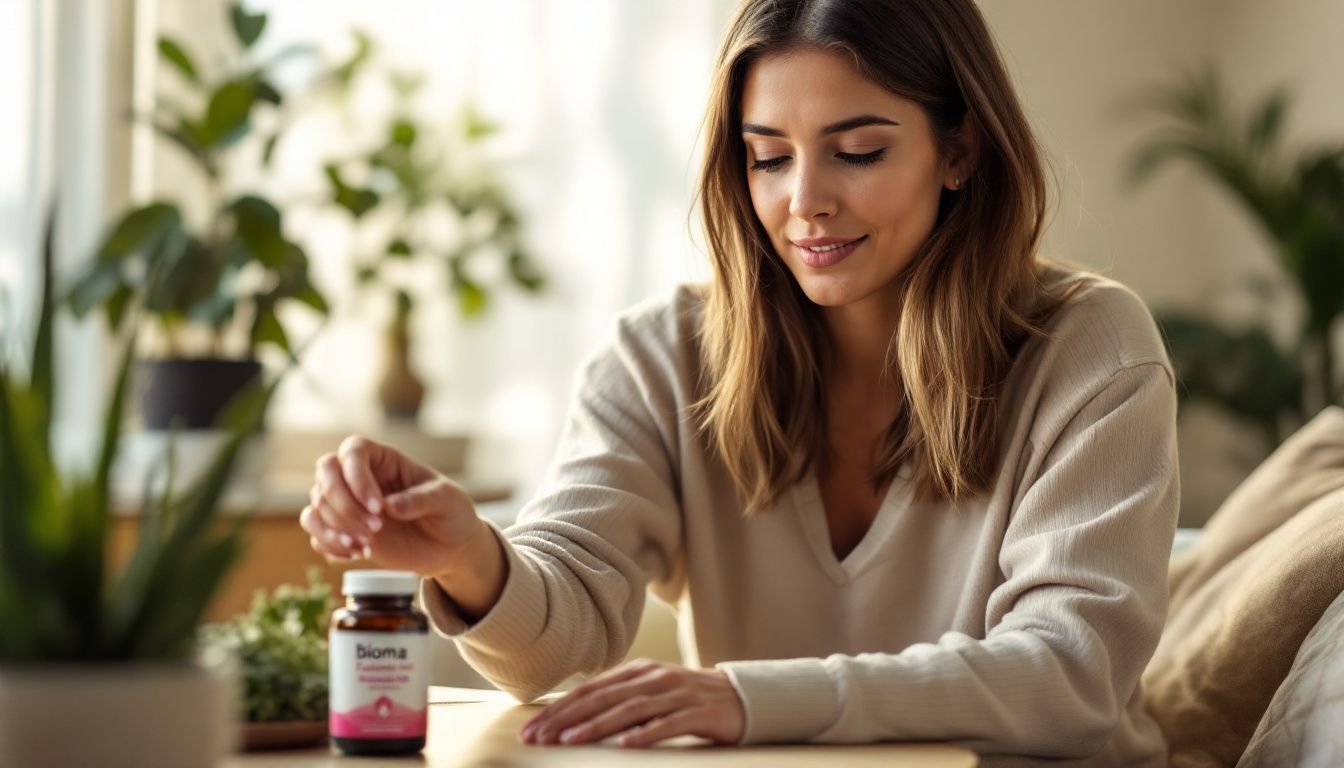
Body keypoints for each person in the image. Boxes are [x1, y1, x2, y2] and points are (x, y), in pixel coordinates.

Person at [299, 0, 1178, 764]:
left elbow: (1070, 673)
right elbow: (556, 646)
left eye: (859, 151)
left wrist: (752, 700)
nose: (805, 201)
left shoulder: (1089, 347)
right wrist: (467, 555)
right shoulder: (660, 356)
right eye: (768, 158)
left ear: (960, 151)